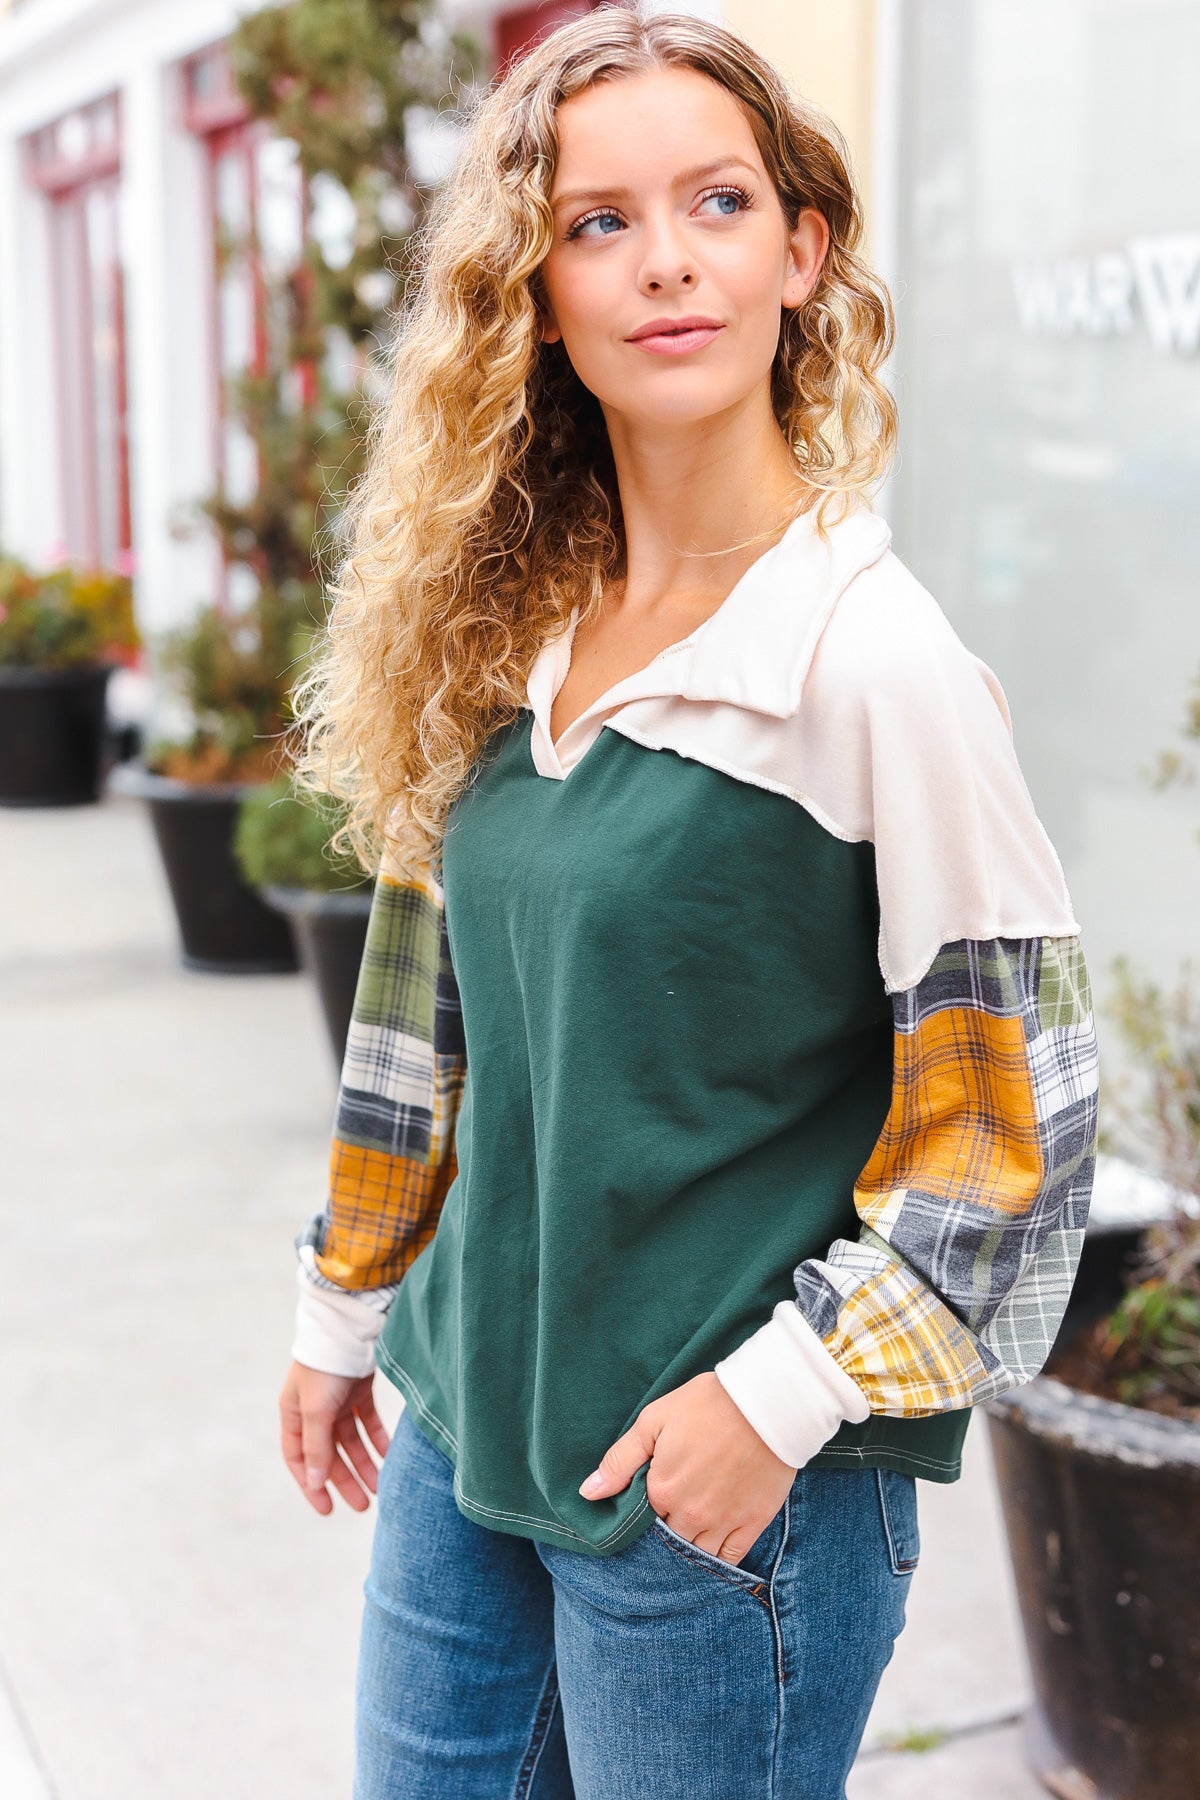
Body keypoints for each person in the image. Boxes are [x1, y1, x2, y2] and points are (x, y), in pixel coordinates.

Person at [277, 10, 1100, 1797]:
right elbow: (422, 1020)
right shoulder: (506, 637)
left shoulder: (873, 668)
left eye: (717, 203)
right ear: (534, 295)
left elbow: (1011, 1145)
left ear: (802, 254)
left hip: (716, 1486)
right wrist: (347, 1314)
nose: (665, 260)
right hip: (466, 1429)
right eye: (598, 222)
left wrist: (775, 1403)